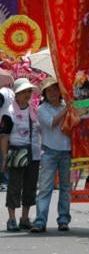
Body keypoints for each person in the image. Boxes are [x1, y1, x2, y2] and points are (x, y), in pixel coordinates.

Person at [31, 77, 72, 233]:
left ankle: (63, 220)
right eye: (49, 90)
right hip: (49, 151)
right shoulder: (42, 109)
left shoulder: (65, 105)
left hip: (66, 151)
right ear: (45, 94)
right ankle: (40, 220)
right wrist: (66, 109)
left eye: (55, 89)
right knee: (45, 188)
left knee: (65, 188)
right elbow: (52, 123)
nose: (52, 92)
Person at [0, 77, 41, 232]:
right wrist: (4, 158)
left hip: (34, 153)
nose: (27, 94)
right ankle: (11, 219)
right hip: (16, 152)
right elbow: (4, 136)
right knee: (14, 187)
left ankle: (25, 218)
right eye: (23, 92)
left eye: (29, 91)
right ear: (16, 94)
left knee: (30, 187)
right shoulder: (8, 113)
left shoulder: (33, 110)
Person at [0, 69, 14, 191]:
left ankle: (4, 181)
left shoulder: (2, 92)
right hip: (9, 121)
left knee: (2, 153)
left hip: (3, 123)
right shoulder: (11, 91)